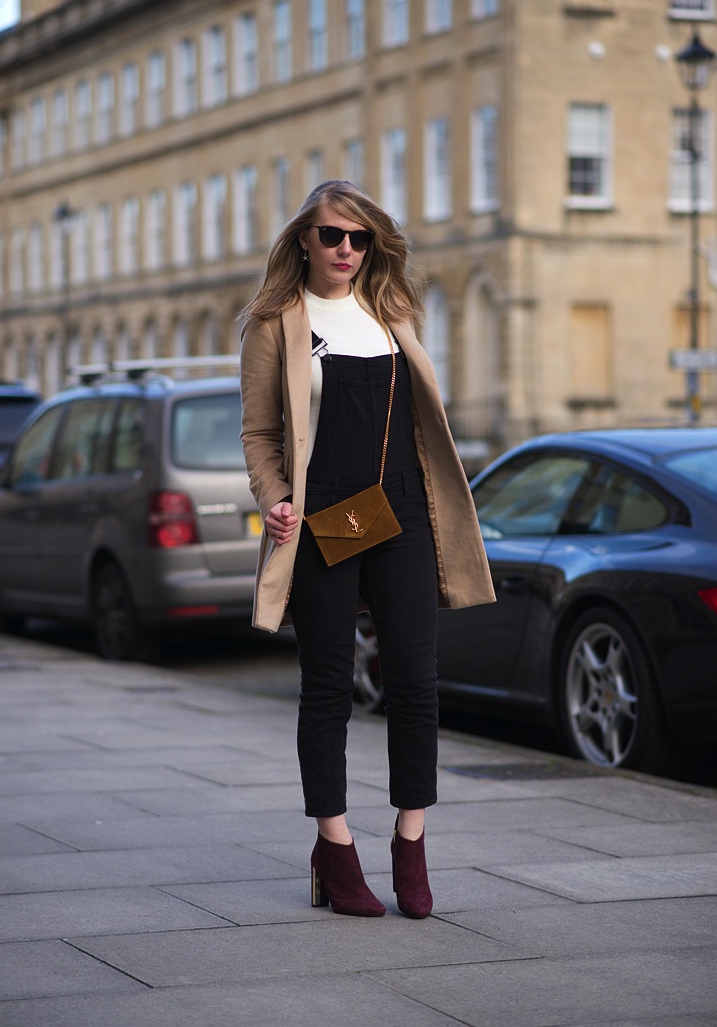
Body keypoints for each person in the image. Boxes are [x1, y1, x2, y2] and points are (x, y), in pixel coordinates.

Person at [240, 180, 494, 919]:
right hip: (322, 516)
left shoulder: (393, 312)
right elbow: (259, 432)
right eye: (331, 236)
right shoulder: (275, 321)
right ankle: (335, 847)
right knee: (326, 685)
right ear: (303, 242)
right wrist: (274, 497)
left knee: (415, 680)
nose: (345, 250)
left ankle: (409, 844)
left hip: (402, 510)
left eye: (359, 238)